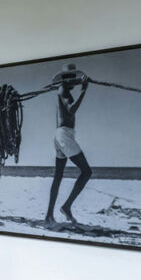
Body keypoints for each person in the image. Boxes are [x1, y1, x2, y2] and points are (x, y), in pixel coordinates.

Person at [45, 64, 93, 225]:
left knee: (58, 177)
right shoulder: (63, 91)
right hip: (64, 135)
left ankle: (49, 215)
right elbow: (71, 110)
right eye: (72, 78)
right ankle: (66, 207)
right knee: (86, 172)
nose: (75, 81)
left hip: (61, 135)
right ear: (67, 79)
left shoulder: (63, 90)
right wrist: (84, 90)